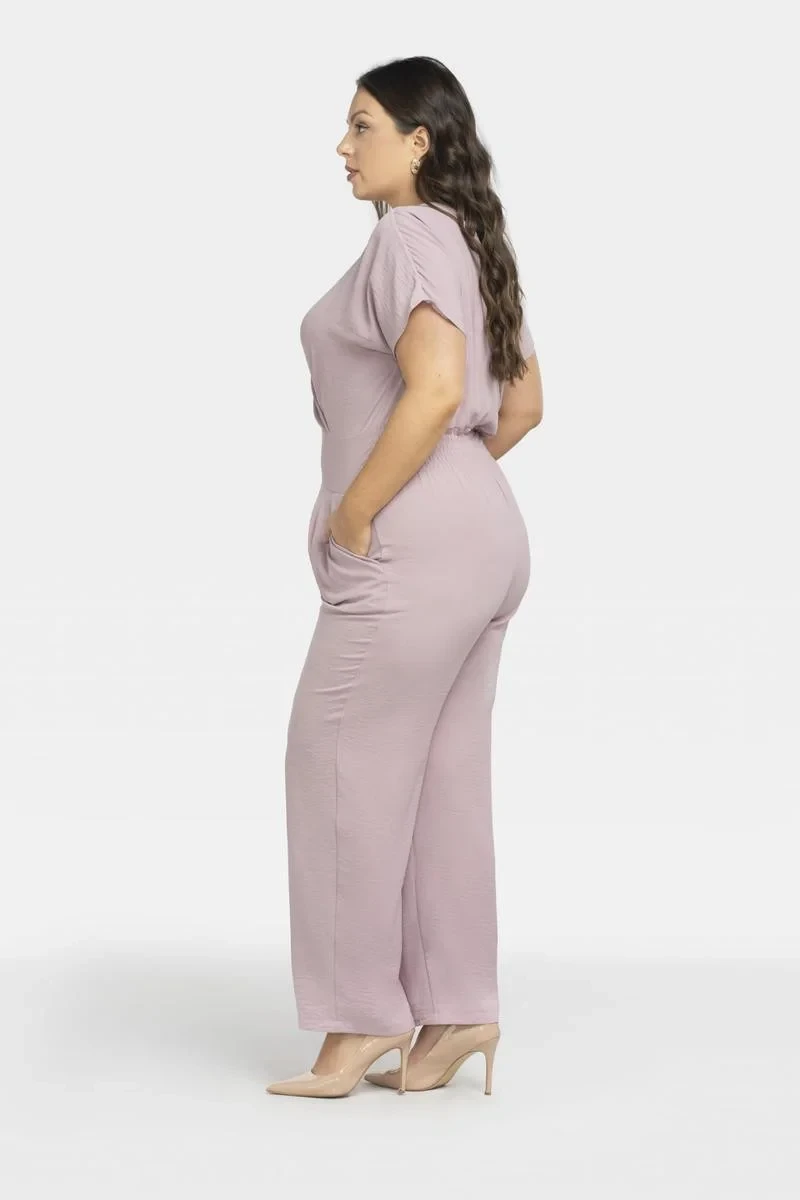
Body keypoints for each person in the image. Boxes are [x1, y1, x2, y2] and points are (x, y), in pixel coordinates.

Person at [266, 56, 543, 1099]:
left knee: (333, 759)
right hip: (486, 537)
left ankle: (356, 1025)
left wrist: (357, 511)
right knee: (439, 777)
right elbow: (521, 405)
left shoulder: (405, 237)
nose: (342, 147)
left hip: (412, 544)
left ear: (418, 141)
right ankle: (458, 1008)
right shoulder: (473, 243)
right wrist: (452, 490)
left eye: (361, 125)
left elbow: (432, 390)